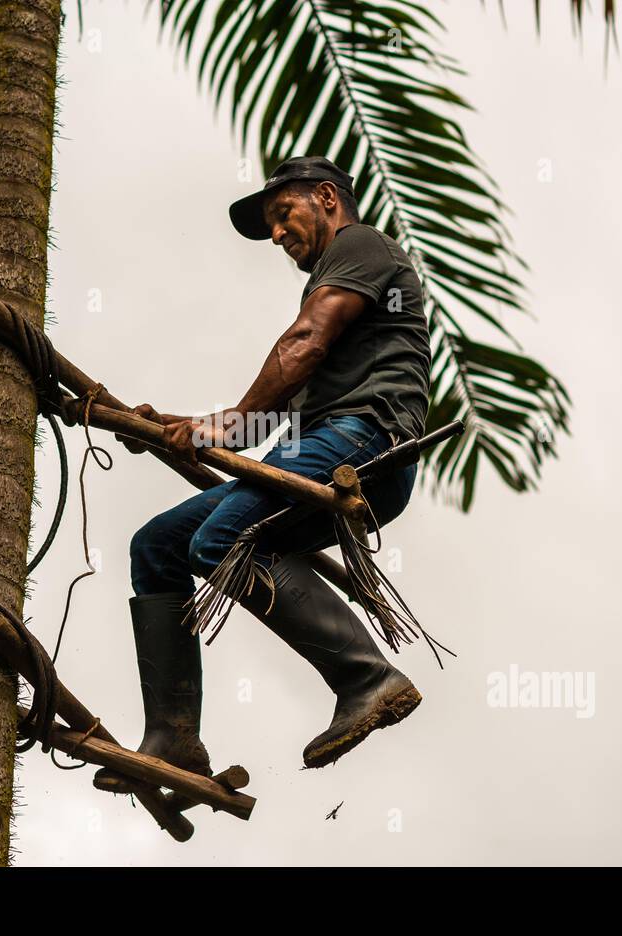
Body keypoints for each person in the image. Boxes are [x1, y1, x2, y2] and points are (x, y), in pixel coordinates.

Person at [95, 157, 433, 792]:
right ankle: (174, 738)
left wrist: (222, 427)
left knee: (219, 542)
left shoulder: (362, 246)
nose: (277, 235)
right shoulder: (346, 273)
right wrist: (173, 426)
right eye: (272, 226)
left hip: (362, 443)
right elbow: (253, 426)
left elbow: (304, 342)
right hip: (323, 442)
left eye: (284, 215)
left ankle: (366, 678)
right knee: (158, 546)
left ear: (328, 198)